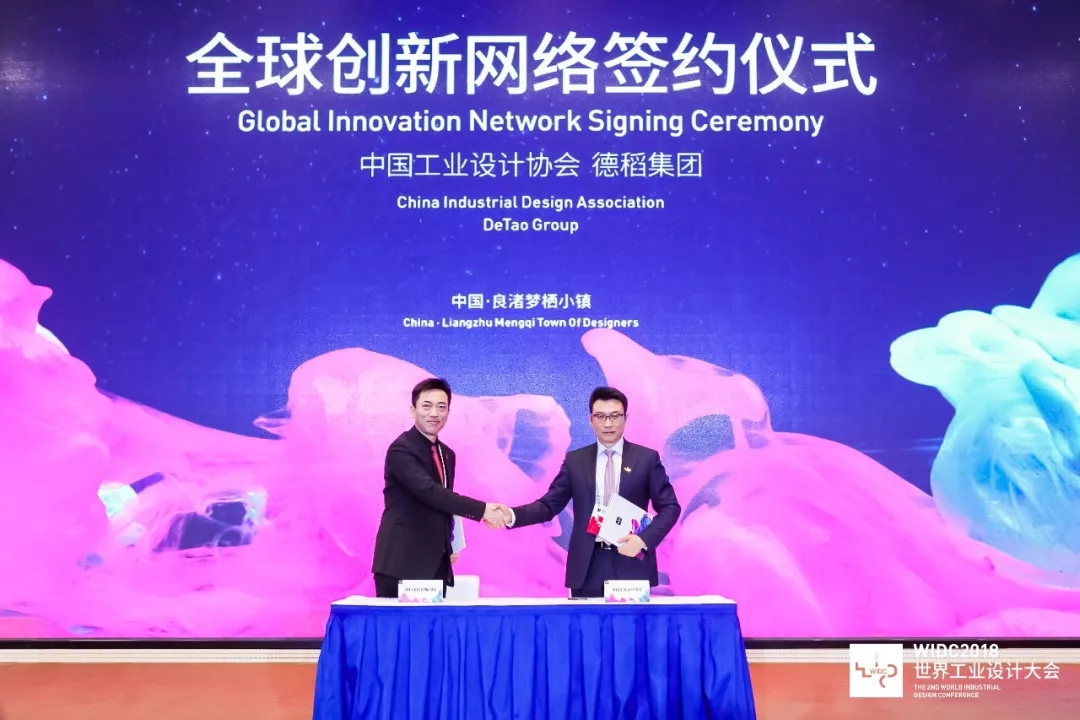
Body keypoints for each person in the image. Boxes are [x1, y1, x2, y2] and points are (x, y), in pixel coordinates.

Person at [494, 387, 681, 597]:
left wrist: (643, 540)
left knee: (627, 620)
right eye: (600, 416)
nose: (608, 423)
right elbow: (549, 505)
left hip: (630, 559)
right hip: (586, 566)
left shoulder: (646, 459)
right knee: (586, 620)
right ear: (591, 420)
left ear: (625, 418)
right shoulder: (575, 461)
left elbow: (670, 507)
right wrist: (511, 515)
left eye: (614, 416)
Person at [371, 377, 506, 598]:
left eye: (441, 407)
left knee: (431, 622)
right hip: (402, 563)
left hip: (435, 564)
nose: (434, 413)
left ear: (448, 413)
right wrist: (483, 510)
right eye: (427, 406)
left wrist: (450, 544)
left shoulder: (447, 454)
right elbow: (430, 492)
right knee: (403, 622)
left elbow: (446, 501)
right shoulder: (401, 450)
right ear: (413, 410)